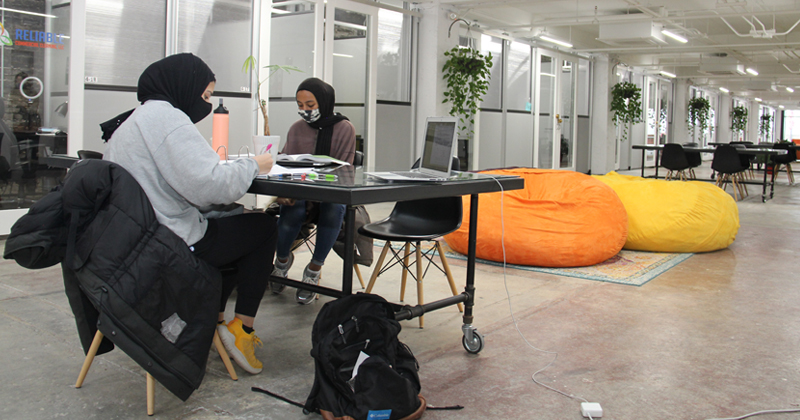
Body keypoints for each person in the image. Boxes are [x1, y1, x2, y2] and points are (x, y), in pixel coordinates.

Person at [101, 53, 276, 375]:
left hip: (134, 245)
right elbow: (212, 187)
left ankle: (217, 321)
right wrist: (254, 164)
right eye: (206, 95)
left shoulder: (133, 121)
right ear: (184, 86)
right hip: (168, 245)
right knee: (263, 228)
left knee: (233, 222)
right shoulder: (167, 119)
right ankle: (241, 331)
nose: (206, 105)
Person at [271, 77, 355, 304]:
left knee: (333, 208)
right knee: (292, 207)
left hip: (331, 193)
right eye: (300, 106)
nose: (305, 111)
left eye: (310, 105)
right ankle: (281, 262)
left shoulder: (344, 128)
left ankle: (314, 269)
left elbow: (345, 172)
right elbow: (284, 164)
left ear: (325, 102)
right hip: (301, 192)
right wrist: (284, 190)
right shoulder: (296, 129)